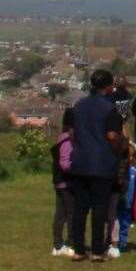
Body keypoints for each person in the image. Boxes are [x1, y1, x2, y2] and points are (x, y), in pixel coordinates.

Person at [67, 68, 126, 263]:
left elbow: (72, 134)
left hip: (80, 161)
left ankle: (78, 249)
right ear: (109, 87)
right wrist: (123, 145)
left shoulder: (78, 106)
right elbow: (111, 135)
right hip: (102, 162)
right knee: (100, 208)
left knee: (80, 208)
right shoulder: (110, 108)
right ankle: (98, 250)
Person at [107, 142, 136, 258]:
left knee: (125, 224)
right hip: (120, 200)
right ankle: (113, 241)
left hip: (129, 203)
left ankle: (122, 243)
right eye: (129, 156)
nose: (131, 159)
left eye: (133, 156)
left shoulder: (134, 171)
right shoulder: (122, 169)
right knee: (115, 221)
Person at [49, 107, 76, 257]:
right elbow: (65, 164)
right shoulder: (67, 140)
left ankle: (58, 245)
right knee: (71, 213)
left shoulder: (61, 137)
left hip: (60, 182)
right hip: (67, 183)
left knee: (60, 214)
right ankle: (70, 243)